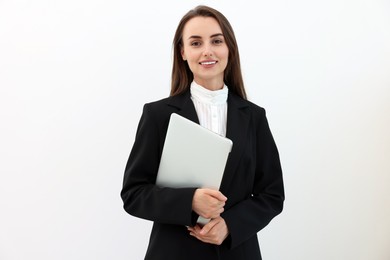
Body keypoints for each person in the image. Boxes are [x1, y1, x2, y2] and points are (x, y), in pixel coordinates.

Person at [121, 5, 284, 260]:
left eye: (216, 41)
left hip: (237, 252)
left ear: (229, 47)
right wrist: (190, 201)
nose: (207, 50)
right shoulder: (158, 115)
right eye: (196, 43)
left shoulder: (254, 117)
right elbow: (133, 194)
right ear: (183, 52)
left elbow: (272, 194)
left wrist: (230, 224)